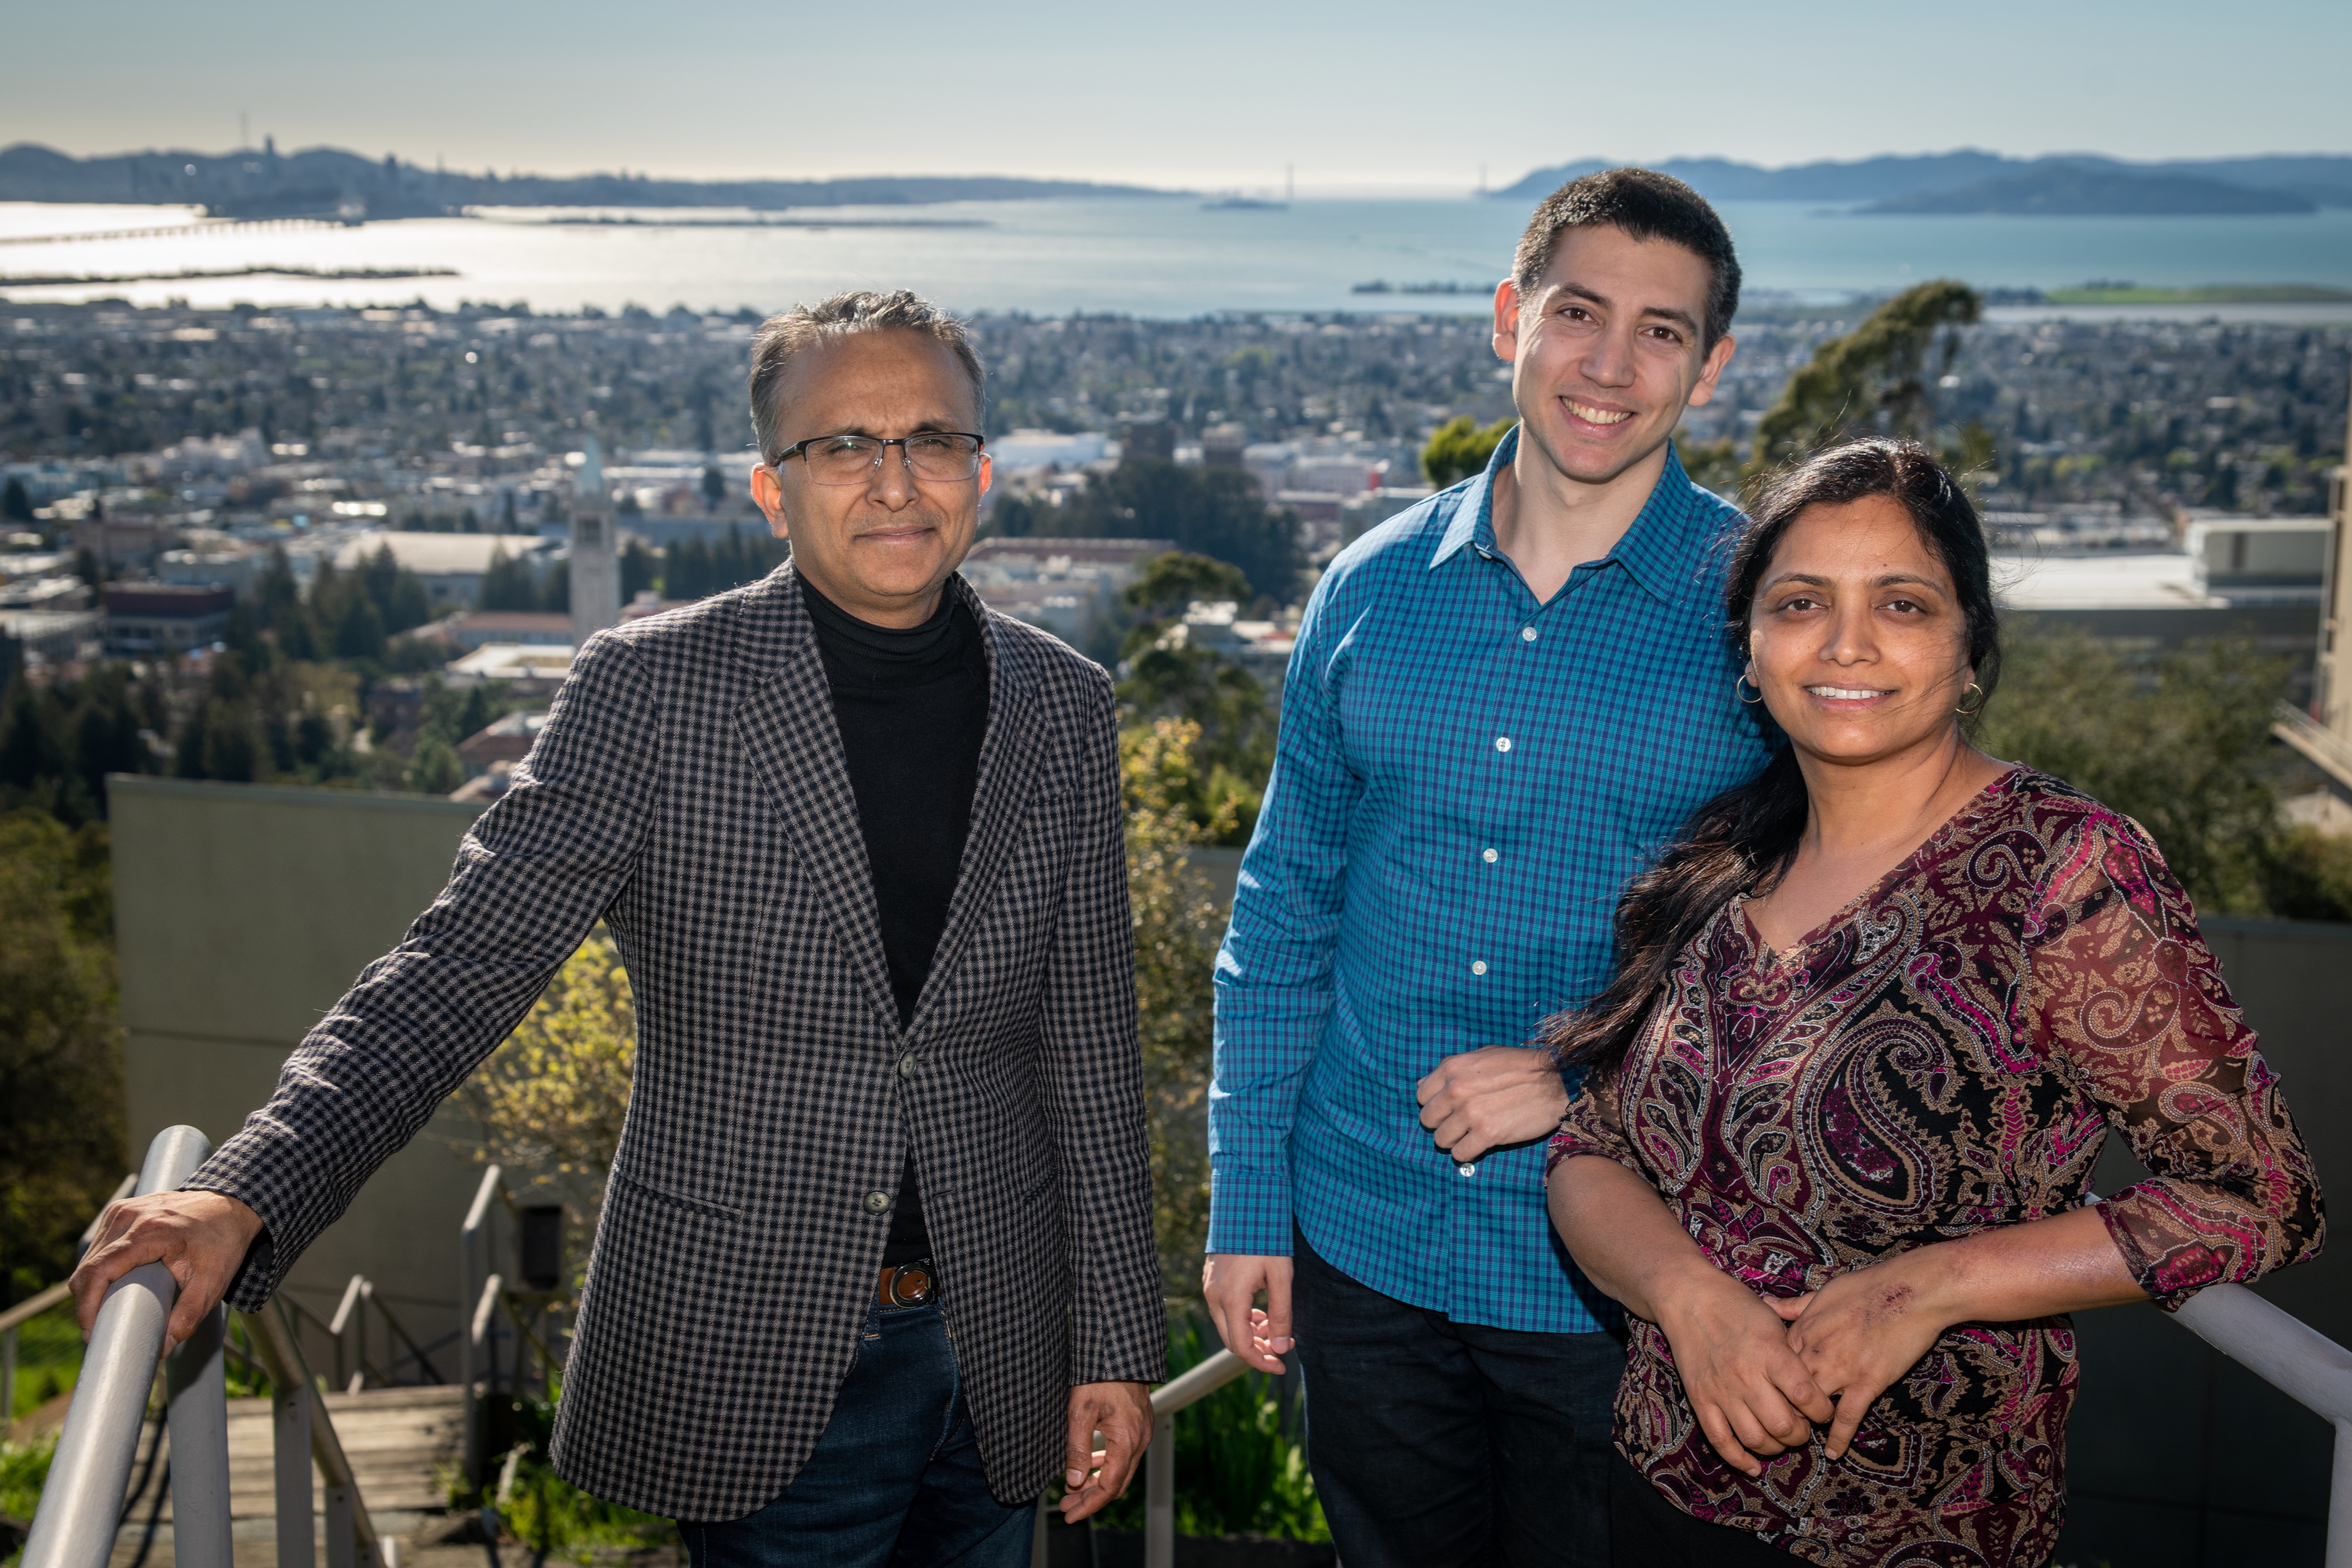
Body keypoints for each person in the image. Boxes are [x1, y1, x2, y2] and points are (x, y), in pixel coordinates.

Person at [71, 290, 1165, 1568]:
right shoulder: (654, 693)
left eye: (932, 439)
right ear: (770, 488)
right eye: (843, 445)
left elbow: (1089, 1042)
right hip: (761, 1347)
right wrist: (245, 1189)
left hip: (1004, 1343)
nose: (895, 481)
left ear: (981, 469)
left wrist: (1116, 1344)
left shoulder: (1066, 706)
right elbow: (459, 968)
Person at [1544, 438, 2325, 1567]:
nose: (1847, 642)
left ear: (1968, 653)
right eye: (1801, 600)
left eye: (1901, 602)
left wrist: (1936, 1283)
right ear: (1750, 652)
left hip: (1918, 1530)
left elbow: (2260, 1196)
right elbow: (1590, 1144)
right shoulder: (1715, 865)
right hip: (1658, 1491)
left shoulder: (2065, 868)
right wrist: (1688, 1297)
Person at [1203, 168, 1766, 1565]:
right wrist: (1243, 1199)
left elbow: (1821, 953)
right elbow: (1283, 911)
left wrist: (1588, 1069)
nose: (1609, 366)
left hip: (1617, 1278)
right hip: (1361, 1238)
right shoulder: (1371, 586)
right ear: (1511, 315)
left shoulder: (1768, 615)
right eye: (1579, 313)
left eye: (1660, 331)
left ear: (1712, 365)